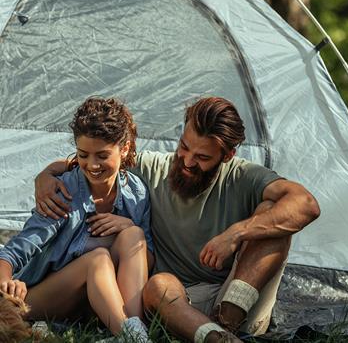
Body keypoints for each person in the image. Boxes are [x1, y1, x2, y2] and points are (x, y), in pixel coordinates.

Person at [35, 97, 320, 343]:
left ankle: (227, 326)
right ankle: (214, 338)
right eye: (184, 147)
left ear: (228, 155)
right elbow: (97, 160)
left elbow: (305, 204)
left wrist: (236, 233)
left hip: (236, 296)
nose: (187, 161)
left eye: (202, 157)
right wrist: (46, 175)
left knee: (275, 213)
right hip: (170, 299)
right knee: (158, 284)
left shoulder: (243, 176)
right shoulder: (152, 167)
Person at [0, 97, 154, 342]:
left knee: (134, 235)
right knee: (98, 259)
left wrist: (130, 225)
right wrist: (6, 282)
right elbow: (14, 251)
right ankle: (129, 335)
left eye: (102, 155)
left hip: (95, 304)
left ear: (123, 149)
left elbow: (148, 257)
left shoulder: (136, 193)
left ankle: (133, 331)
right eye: (83, 154)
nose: (91, 165)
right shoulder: (63, 191)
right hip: (42, 296)